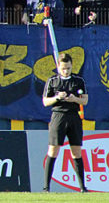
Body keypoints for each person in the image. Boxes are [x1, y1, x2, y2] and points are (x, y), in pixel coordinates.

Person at [42, 53, 88, 193]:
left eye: (68, 68)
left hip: (73, 116)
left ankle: (82, 187)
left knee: (76, 152)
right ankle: (46, 187)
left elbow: (85, 100)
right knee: (53, 150)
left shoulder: (78, 81)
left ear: (72, 66)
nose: (66, 71)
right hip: (58, 116)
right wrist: (57, 97)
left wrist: (74, 98)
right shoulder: (52, 81)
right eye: (63, 68)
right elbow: (45, 102)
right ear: (58, 67)